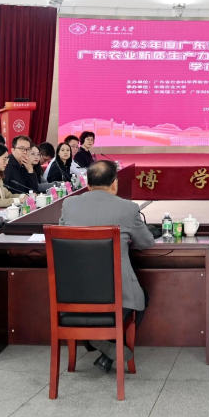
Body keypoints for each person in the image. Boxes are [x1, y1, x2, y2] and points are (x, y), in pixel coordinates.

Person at [59, 159, 155, 372]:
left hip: (73, 291)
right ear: (114, 183)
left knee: (132, 296)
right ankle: (104, 347)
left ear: (88, 184)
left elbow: (63, 235)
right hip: (115, 293)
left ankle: (97, 342)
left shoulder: (69, 205)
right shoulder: (128, 208)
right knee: (141, 297)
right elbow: (146, 243)